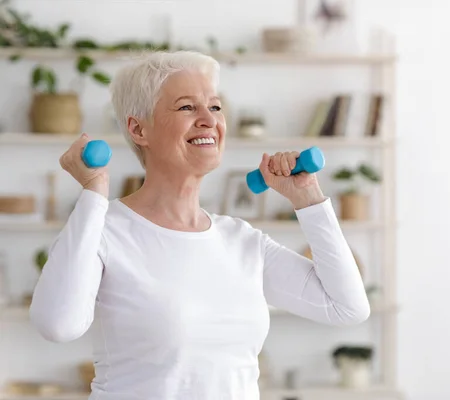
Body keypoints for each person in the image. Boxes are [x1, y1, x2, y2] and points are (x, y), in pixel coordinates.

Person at [29, 50, 370, 400]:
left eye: (216, 107)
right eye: (187, 107)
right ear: (138, 128)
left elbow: (347, 307)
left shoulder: (242, 240)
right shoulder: (104, 230)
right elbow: (57, 324)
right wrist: (93, 193)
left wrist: (308, 200)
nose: (209, 119)